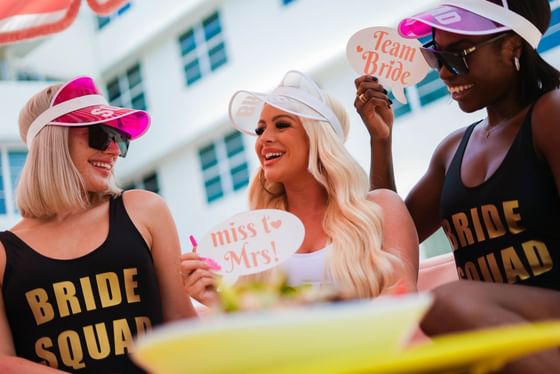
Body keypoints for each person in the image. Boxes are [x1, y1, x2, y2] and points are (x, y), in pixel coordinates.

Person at [355, 0, 560, 371]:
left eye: (459, 57)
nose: (446, 73)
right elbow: (393, 241)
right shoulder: (452, 150)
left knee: (444, 303)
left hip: (541, 322)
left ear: (513, 47)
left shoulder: (552, 114)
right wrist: (380, 141)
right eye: (436, 58)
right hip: (494, 334)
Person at [0, 76, 197, 373]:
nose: (114, 150)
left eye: (119, 139)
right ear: (54, 141)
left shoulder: (144, 210)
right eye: (100, 135)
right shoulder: (4, 253)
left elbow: (182, 324)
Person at [182, 70, 419, 306]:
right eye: (260, 130)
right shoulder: (255, 236)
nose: (264, 139)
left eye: (282, 125)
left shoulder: (382, 207)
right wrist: (215, 298)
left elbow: (403, 301)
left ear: (318, 137)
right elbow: (254, 336)